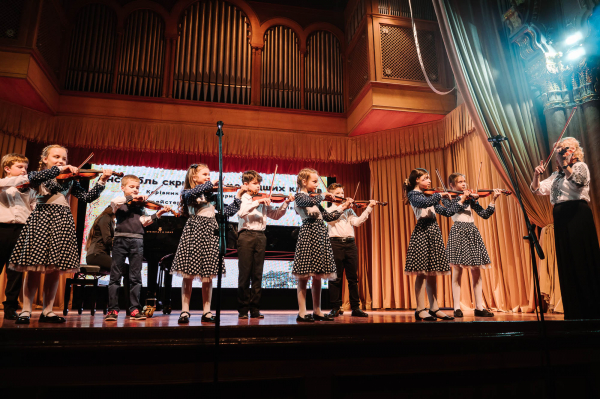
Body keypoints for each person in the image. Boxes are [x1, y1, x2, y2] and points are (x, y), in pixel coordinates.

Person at [10, 144, 112, 324]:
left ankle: (47, 311)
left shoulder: (70, 179)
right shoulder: (37, 175)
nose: (60, 161)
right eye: (56, 157)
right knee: (33, 269)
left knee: (55, 270)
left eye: (64, 158)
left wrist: (102, 180)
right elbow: (37, 180)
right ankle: (26, 310)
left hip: (62, 221)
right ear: (44, 159)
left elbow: (87, 197)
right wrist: (59, 170)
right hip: (41, 219)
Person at [531, 137, 600, 320]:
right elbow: (537, 190)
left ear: (575, 151)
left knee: (580, 258)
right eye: (559, 150)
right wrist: (537, 175)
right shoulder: (555, 176)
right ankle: (574, 311)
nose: (562, 152)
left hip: (577, 214)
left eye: (566, 149)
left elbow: (578, 182)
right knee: (567, 260)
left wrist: (565, 165)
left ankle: (591, 310)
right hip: (561, 217)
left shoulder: (580, 167)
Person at [171, 164, 244, 324]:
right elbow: (193, 192)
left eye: (209, 175)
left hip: (211, 231)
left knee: (208, 274)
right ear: (194, 177)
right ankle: (184, 311)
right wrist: (212, 184)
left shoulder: (212, 195)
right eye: (205, 174)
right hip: (194, 230)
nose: (208, 177)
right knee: (187, 273)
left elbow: (227, 212)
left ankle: (207, 311)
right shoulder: (188, 192)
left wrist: (238, 197)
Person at [105, 175, 171, 322]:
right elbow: (114, 202)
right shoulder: (119, 201)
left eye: (137, 188)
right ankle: (113, 310)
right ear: (123, 188)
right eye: (131, 187)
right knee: (115, 277)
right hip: (121, 240)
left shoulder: (140, 206)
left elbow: (144, 222)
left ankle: (134, 308)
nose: (135, 190)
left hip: (137, 241)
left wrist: (158, 214)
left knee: (136, 277)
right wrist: (131, 197)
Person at [403, 168, 463, 321]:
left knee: (432, 273)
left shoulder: (431, 196)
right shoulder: (414, 195)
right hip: (422, 232)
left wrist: (458, 201)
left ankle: (434, 308)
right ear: (417, 180)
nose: (429, 181)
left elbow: (447, 212)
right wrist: (439, 195)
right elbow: (424, 203)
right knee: (422, 273)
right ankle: (420, 308)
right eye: (426, 178)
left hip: (434, 232)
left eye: (429, 178)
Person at [293, 168, 349, 323]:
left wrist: (342, 207)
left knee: (317, 276)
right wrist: (322, 195)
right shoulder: (300, 196)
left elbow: (328, 216)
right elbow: (305, 202)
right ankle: (302, 312)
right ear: (304, 182)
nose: (317, 184)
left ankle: (317, 310)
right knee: (303, 277)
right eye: (314, 181)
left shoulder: (316, 199)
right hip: (308, 234)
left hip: (320, 235)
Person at [237, 170, 293, 319]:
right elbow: (241, 212)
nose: (258, 187)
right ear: (246, 184)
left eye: (259, 183)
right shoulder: (243, 198)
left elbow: (275, 215)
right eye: (255, 184)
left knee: (257, 274)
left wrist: (285, 203)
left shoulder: (262, 199)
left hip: (261, 236)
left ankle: (255, 309)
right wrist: (258, 202)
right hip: (246, 236)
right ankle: (242, 309)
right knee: (244, 275)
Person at [446, 173, 502, 318]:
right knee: (457, 271)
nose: (464, 184)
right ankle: (457, 307)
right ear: (452, 185)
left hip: (472, 231)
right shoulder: (449, 198)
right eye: (460, 182)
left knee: (476, 270)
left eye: (465, 181)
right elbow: (452, 210)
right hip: (458, 230)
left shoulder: (471, 199)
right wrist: (463, 197)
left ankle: (479, 307)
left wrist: (493, 200)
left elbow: (484, 214)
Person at [325, 183, 375, 318]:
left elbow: (357, 222)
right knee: (335, 278)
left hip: (350, 244)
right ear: (330, 194)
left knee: (353, 278)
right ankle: (335, 307)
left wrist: (369, 208)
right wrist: (343, 206)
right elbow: (330, 220)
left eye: (342, 193)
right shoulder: (329, 210)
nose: (341, 195)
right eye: (338, 193)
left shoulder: (349, 210)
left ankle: (355, 307)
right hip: (335, 244)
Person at [0, 153, 36, 320]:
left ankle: (10, 308)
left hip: (22, 230)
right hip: (1, 230)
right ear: (7, 168)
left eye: (26, 168)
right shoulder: (1, 184)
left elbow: (35, 207)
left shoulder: (29, 188)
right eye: (20, 167)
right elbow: (9, 183)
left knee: (15, 271)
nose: (24, 171)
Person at [85, 205, 115, 272]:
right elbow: (107, 240)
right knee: (124, 268)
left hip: (97, 255)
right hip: (96, 255)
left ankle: (114, 282)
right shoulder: (106, 218)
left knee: (122, 267)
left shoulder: (109, 219)